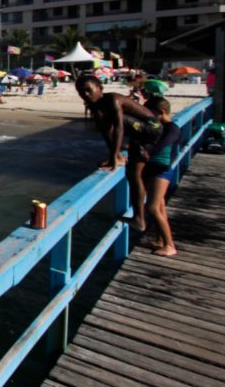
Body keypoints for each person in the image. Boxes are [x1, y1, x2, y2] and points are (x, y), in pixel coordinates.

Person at [76, 75, 163, 231]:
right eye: (81, 92)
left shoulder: (113, 100)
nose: (85, 95)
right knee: (132, 174)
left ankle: (139, 218)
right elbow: (105, 131)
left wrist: (115, 158)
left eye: (89, 90)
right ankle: (139, 217)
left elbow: (118, 127)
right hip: (138, 134)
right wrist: (113, 154)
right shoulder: (96, 107)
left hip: (152, 129)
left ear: (100, 88)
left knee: (135, 176)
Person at [141, 97, 181, 257]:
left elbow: (160, 147)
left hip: (161, 171)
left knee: (152, 207)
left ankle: (170, 245)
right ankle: (160, 240)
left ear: (162, 112)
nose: (149, 117)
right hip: (154, 169)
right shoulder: (161, 127)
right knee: (160, 207)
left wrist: (144, 150)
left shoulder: (172, 129)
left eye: (151, 113)